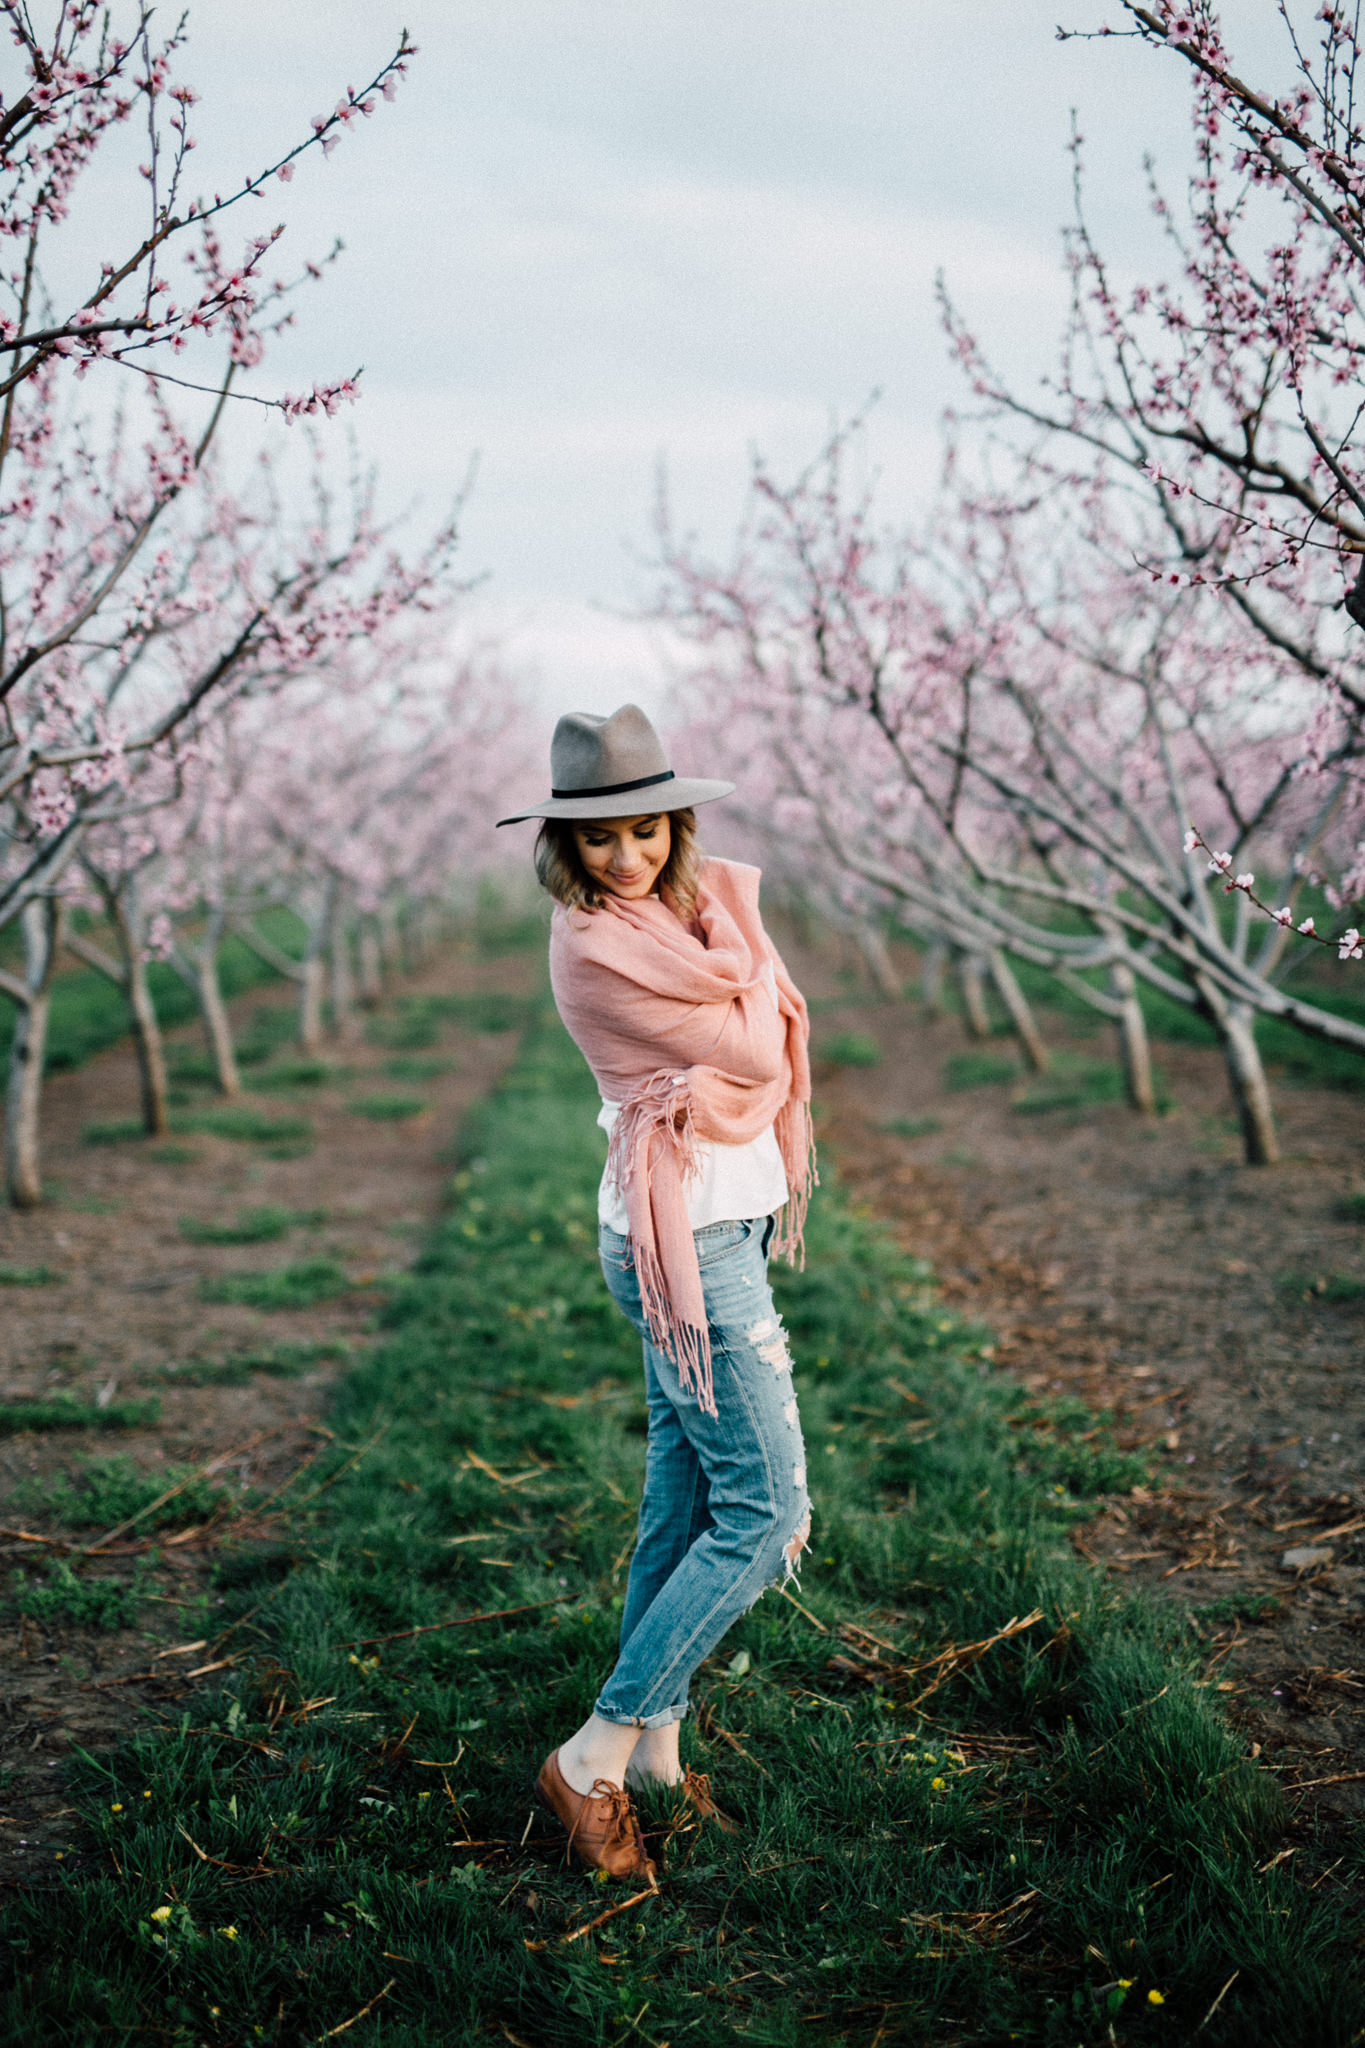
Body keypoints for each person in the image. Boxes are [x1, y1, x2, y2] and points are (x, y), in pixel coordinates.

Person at [496, 704, 817, 1882]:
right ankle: (594, 1752)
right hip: (687, 1244)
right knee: (767, 1511)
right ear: (565, 850)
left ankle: (658, 1759)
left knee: (682, 1498)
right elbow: (754, 1048)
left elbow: (754, 1028)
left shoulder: (704, 907)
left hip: (705, 1219)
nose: (622, 856)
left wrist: (747, 1002)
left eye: (642, 830)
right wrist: (749, 1006)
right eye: (596, 840)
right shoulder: (594, 943)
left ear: (673, 823)